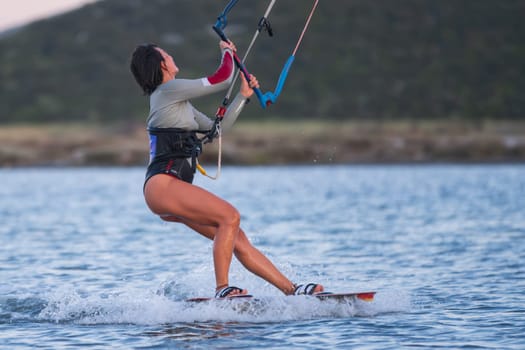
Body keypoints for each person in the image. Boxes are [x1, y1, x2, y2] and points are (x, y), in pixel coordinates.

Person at [130, 40, 324, 298]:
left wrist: (243, 96)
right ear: (162, 64)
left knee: (236, 237)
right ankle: (223, 288)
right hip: (163, 185)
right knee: (229, 216)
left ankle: (292, 290)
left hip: (167, 190)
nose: (171, 55)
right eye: (167, 53)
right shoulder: (168, 90)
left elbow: (215, 131)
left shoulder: (178, 105)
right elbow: (221, 79)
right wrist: (227, 53)